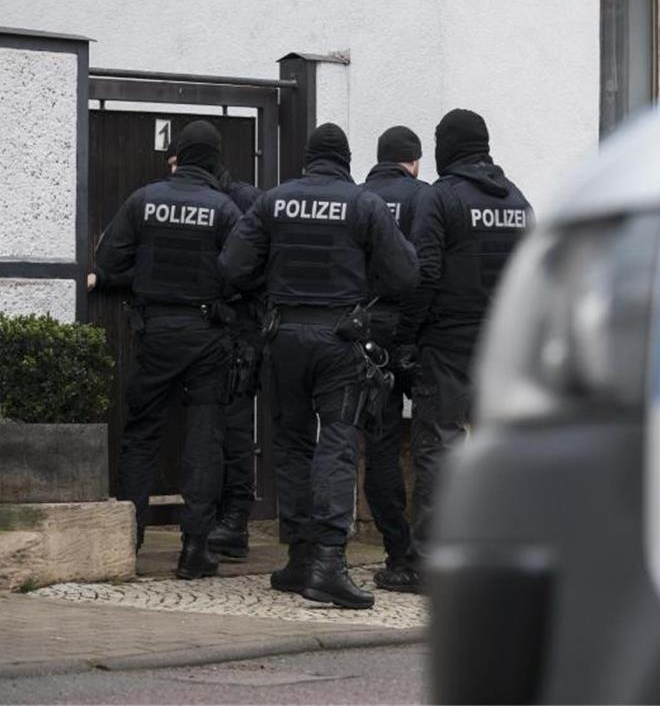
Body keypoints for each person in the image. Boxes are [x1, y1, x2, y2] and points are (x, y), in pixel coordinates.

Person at [219, 123, 419, 609]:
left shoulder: (273, 201)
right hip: (339, 338)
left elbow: (232, 266)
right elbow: (405, 274)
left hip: (282, 337)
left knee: (290, 444)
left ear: (307, 160)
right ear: (347, 159)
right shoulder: (363, 203)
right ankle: (328, 562)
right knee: (337, 441)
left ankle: (300, 556)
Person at [94, 120, 243, 580]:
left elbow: (109, 261)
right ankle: (194, 549)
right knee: (204, 437)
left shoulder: (143, 200)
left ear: (177, 156)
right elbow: (242, 272)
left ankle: (129, 540)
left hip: (155, 330)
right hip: (205, 332)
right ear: (215, 160)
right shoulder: (224, 209)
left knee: (141, 434)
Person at [399, 109, 534, 581]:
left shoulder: (441, 199)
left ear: (447, 147)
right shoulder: (518, 200)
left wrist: (407, 337)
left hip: (450, 342)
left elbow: (426, 273)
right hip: (504, 344)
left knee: (440, 446)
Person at [359, 126, 430, 592]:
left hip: (368, 332)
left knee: (379, 444)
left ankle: (397, 552)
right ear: (416, 161)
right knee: (434, 443)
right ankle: (429, 550)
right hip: (420, 332)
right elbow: (431, 267)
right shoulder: (428, 198)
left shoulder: (358, 198)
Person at [206, 162, 266, 561]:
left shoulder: (245, 200)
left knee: (235, 426)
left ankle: (235, 520)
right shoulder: (239, 199)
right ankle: (222, 519)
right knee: (215, 426)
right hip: (223, 326)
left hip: (242, 327)